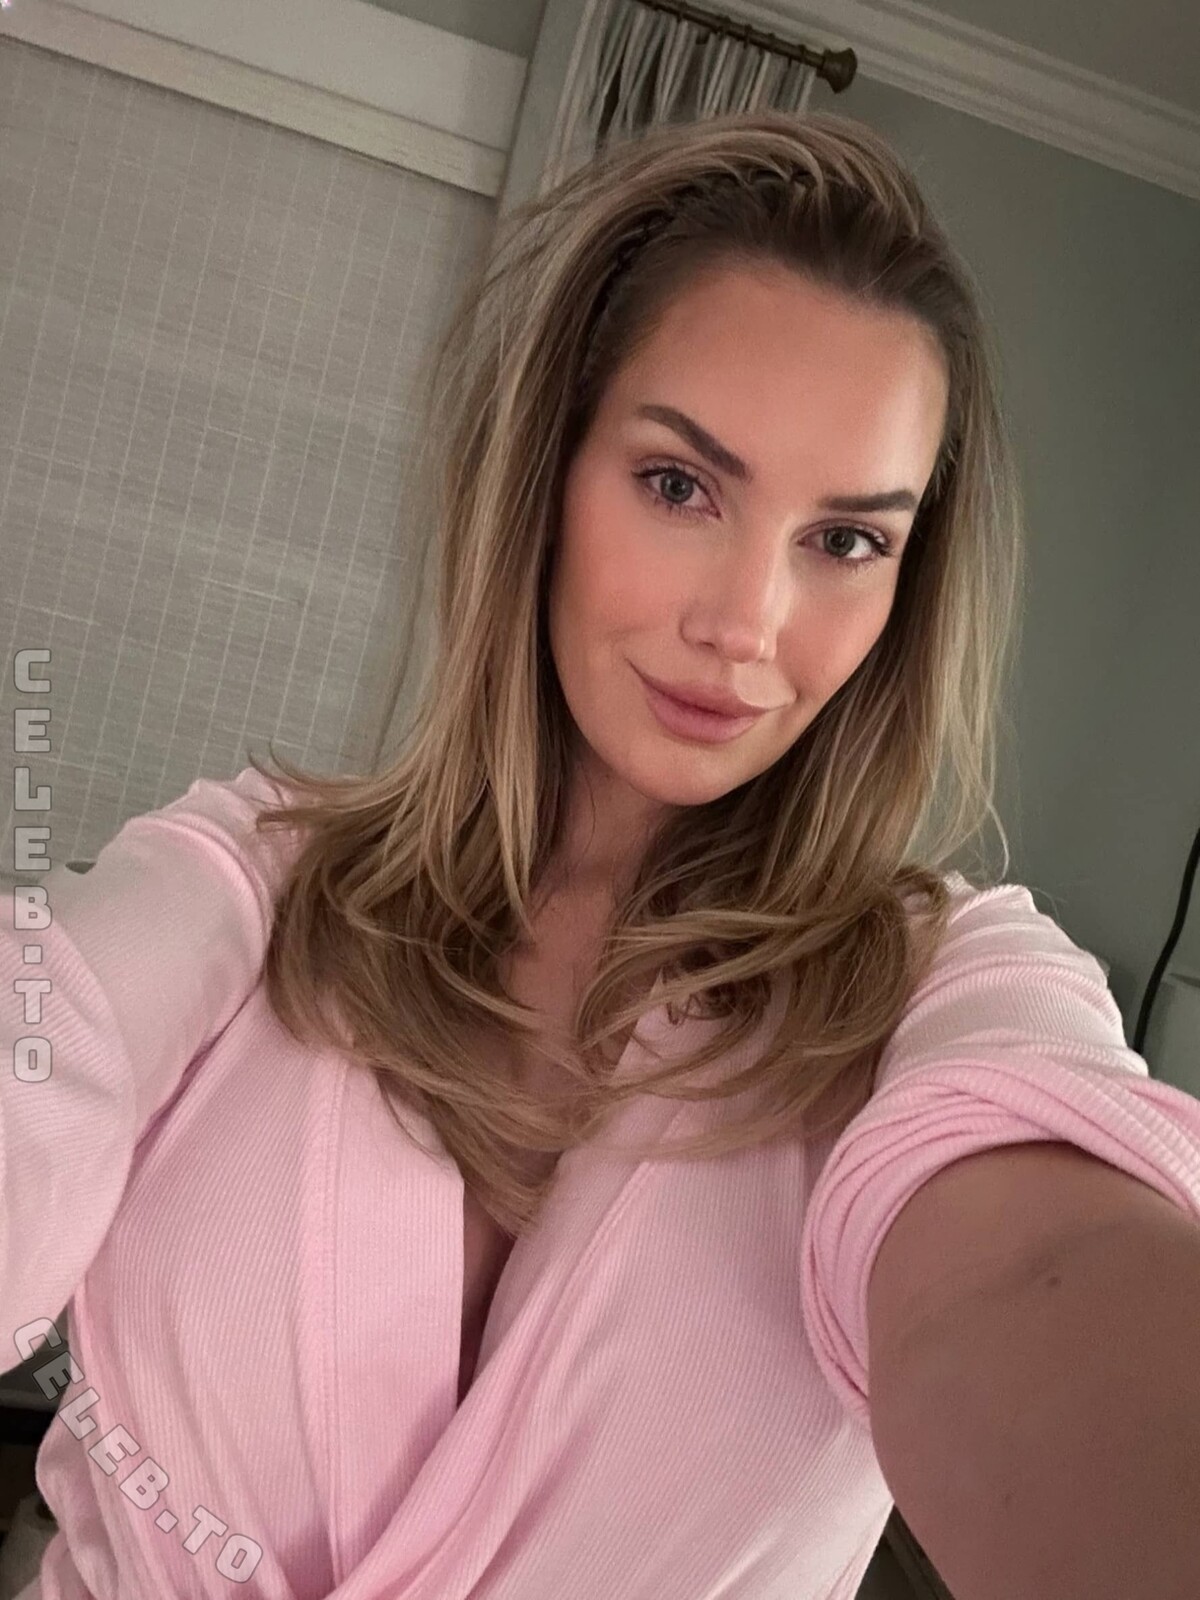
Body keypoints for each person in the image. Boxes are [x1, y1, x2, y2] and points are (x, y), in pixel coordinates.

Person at [5, 109, 1200, 1600]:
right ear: (549, 475)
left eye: (845, 542)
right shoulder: (249, 890)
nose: (747, 625)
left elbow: (1032, 1277)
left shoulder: (936, 992)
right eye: (680, 486)